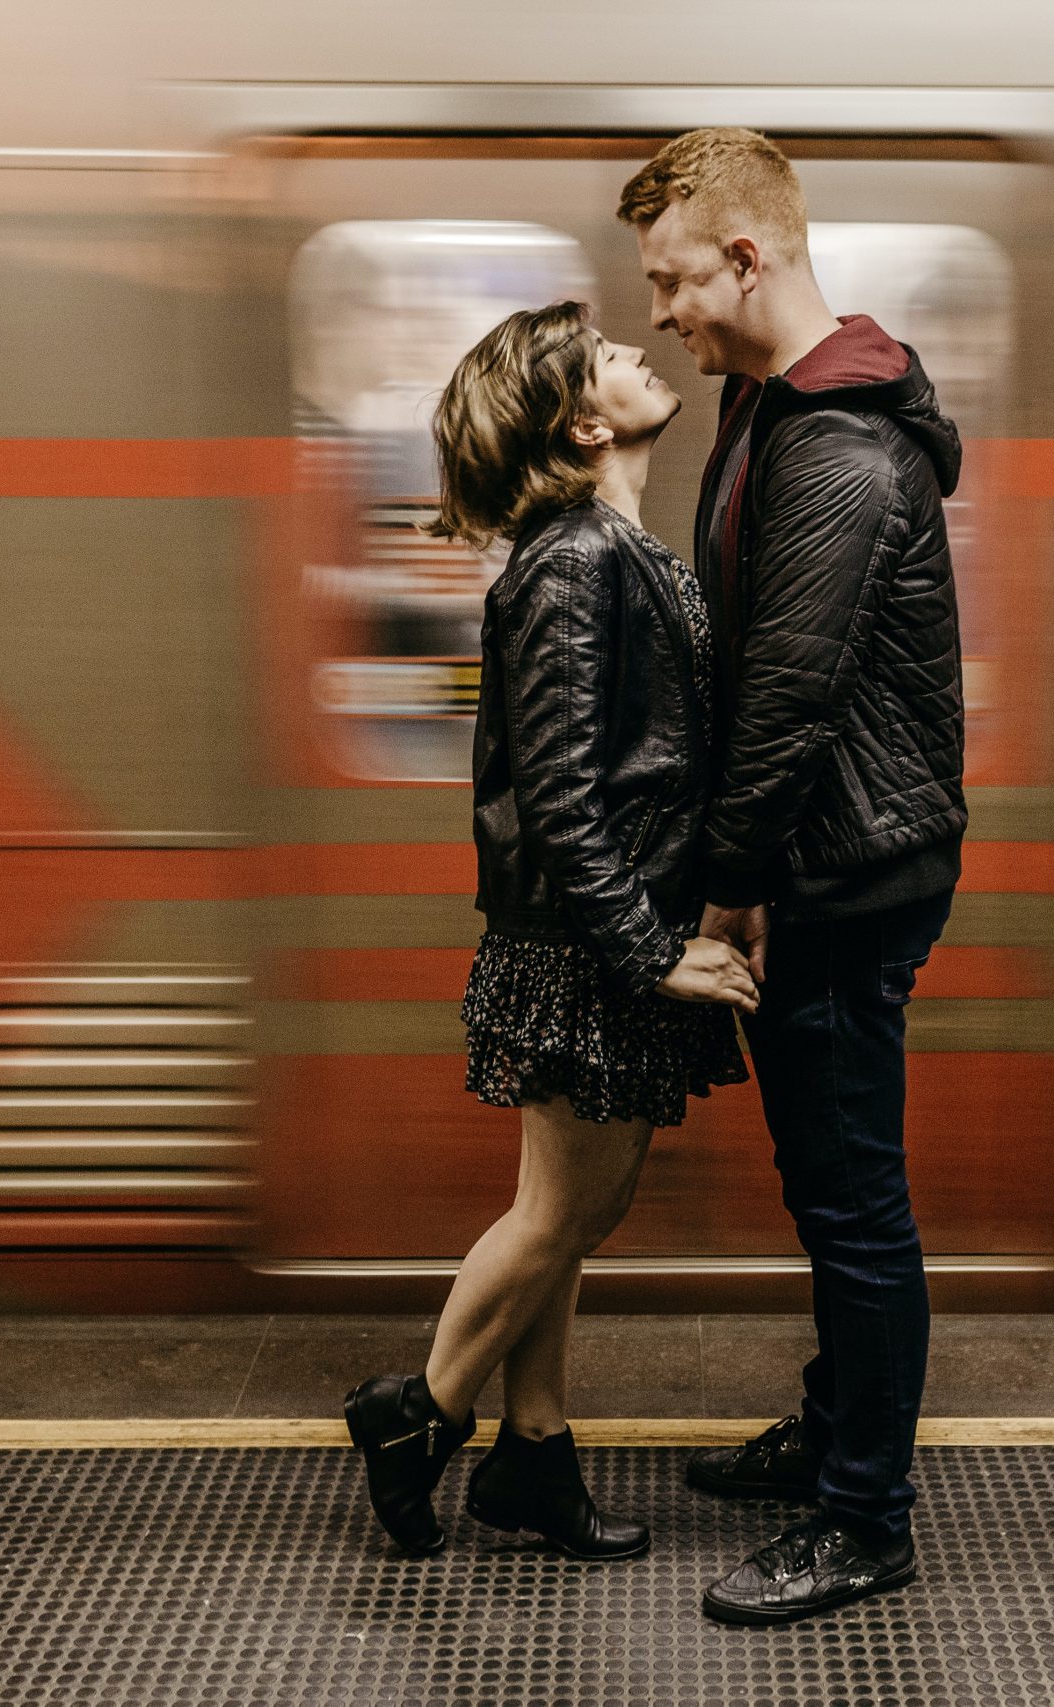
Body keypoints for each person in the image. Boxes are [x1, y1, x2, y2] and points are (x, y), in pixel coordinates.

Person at [342, 301, 760, 1561]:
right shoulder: (577, 558)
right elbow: (565, 793)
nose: (639, 353)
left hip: (588, 929)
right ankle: (416, 1416)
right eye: (608, 360)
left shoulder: (600, 544)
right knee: (565, 1215)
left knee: (562, 1216)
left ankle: (535, 1454)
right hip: (588, 941)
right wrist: (651, 951)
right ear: (583, 422)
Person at [620, 128, 969, 1626]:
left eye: (673, 277)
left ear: (746, 257)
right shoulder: (775, 401)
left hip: (846, 866)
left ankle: (864, 1516)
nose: (659, 312)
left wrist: (720, 895)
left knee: (854, 1204)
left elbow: (784, 703)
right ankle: (838, 1432)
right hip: (832, 852)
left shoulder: (836, 444)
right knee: (827, 1180)